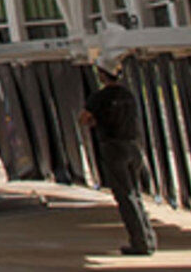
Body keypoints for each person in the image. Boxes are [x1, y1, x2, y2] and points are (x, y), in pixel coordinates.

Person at [80, 63, 156, 257]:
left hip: (113, 146)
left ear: (103, 76)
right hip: (133, 146)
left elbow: (83, 118)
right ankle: (149, 238)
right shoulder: (128, 96)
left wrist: (96, 122)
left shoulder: (99, 97)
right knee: (135, 193)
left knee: (125, 196)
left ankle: (140, 242)